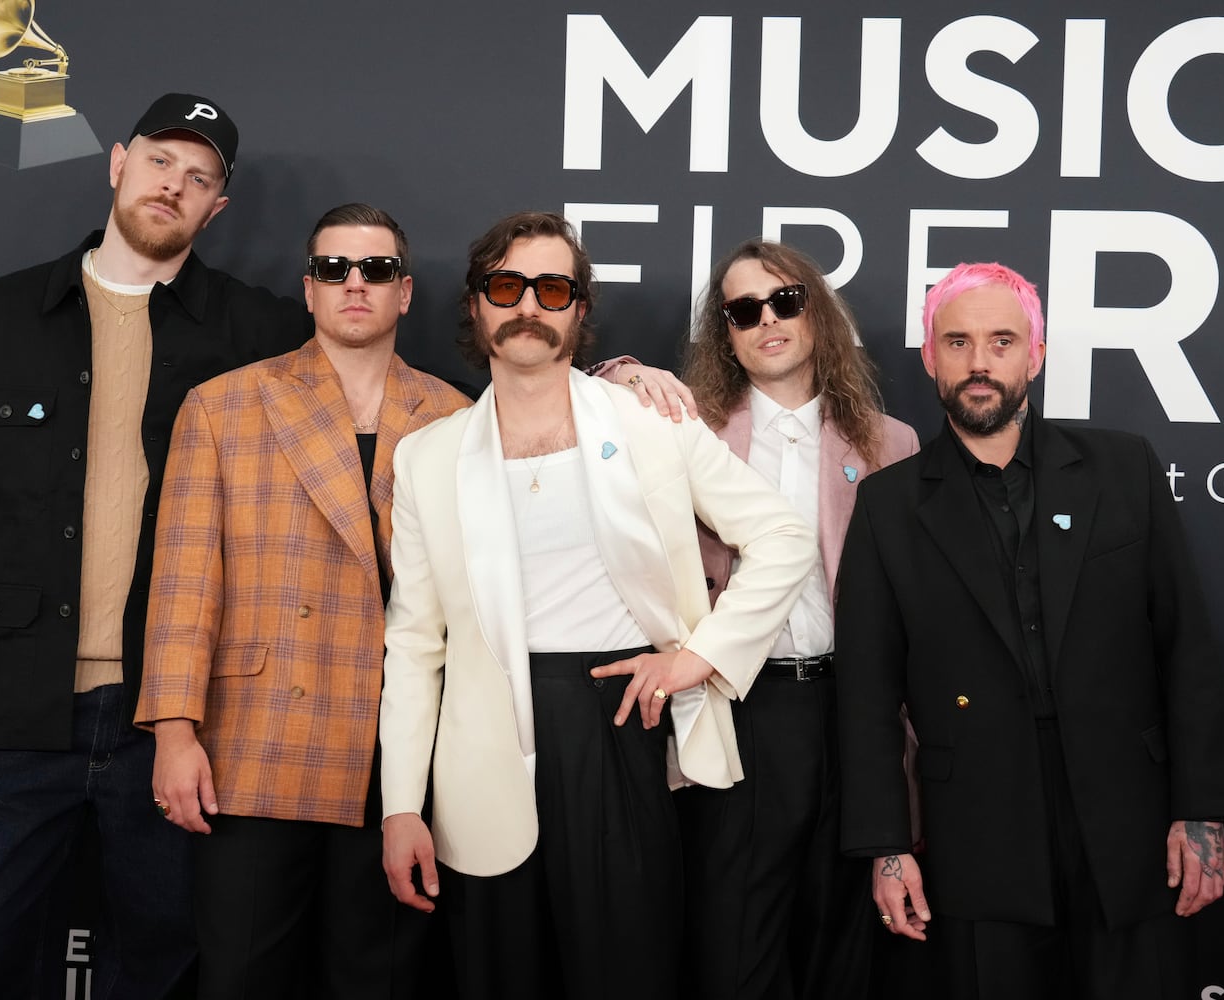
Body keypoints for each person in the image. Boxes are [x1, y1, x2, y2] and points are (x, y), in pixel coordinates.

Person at [0, 92, 309, 998]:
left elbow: (376, 362)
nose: (174, 186)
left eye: (199, 179)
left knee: (161, 966)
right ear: (117, 162)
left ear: (217, 209)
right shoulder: (2, 314)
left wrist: (603, 376)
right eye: (161, 161)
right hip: (7, 705)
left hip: (172, 716)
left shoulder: (260, 334)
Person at [377, 211, 815, 1000]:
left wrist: (700, 656)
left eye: (554, 288)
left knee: (628, 972)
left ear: (580, 308)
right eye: (506, 286)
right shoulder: (428, 457)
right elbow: (414, 646)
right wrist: (400, 806)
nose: (528, 307)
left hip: (621, 730)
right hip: (481, 753)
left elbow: (784, 535)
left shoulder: (649, 421)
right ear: (477, 305)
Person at [835, 261, 1224, 1000]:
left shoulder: (1124, 468)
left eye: (1002, 340)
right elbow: (866, 694)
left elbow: (1185, 646)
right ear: (930, 357)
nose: (980, 362)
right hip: (976, 831)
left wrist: (1202, 809)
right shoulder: (888, 507)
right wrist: (886, 847)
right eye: (957, 343)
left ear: (1037, 353)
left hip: (1130, 821)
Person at [135, 203, 467, 998]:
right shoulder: (223, 405)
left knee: (376, 980)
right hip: (255, 741)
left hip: (399, 755)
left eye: (377, 271)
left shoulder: (456, 415)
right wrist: (174, 734)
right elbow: (183, 585)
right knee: (244, 977)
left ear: (406, 293)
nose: (357, 285)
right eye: (335, 270)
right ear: (309, 289)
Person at [669, 239, 919, 999]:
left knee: (841, 936)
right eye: (744, 310)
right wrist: (628, 372)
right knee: (737, 935)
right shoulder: (686, 435)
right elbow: (596, 400)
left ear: (817, 315)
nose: (767, 321)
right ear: (726, 333)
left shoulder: (891, 444)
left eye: (785, 301)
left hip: (855, 712)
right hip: (740, 707)